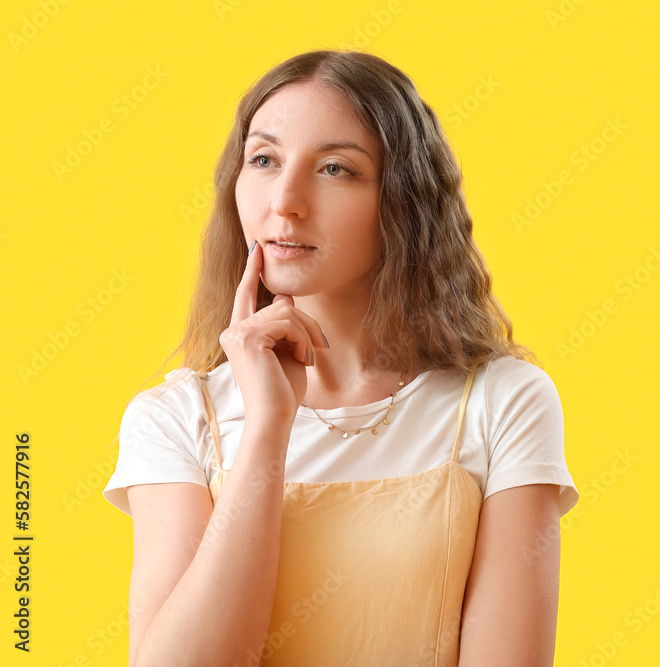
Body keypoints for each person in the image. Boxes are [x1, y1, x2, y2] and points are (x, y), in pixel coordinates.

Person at [102, 49, 579, 666]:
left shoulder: (502, 402)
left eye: (335, 169)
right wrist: (268, 429)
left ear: (404, 202)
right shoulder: (173, 418)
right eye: (265, 160)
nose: (286, 201)